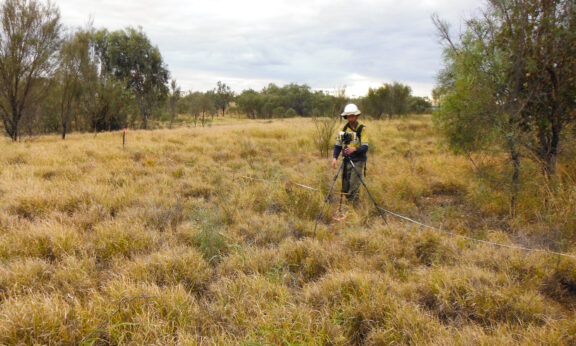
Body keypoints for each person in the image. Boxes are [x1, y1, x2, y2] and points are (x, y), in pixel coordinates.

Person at [332, 103, 369, 204]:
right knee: (346, 185)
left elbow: (365, 146)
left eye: (352, 116)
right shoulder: (343, 129)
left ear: (356, 116)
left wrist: (354, 149)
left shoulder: (362, 129)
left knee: (354, 184)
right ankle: (347, 206)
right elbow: (338, 145)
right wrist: (335, 157)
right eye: (348, 116)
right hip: (347, 160)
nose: (350, 119)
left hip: (358, 160)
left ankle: (354, 206)